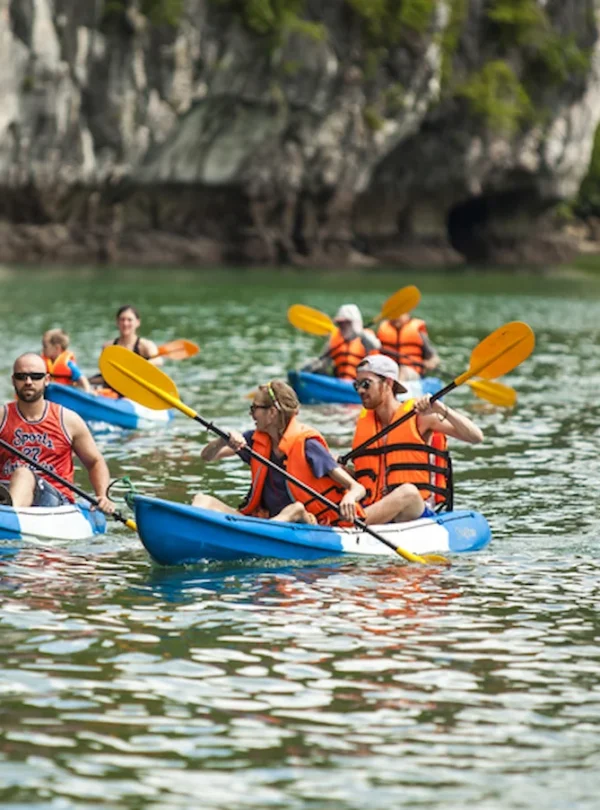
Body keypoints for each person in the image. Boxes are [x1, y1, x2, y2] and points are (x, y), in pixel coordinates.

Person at [192, 380, 365, 524]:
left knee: (295, 509)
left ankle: (265, 535)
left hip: (310, 524)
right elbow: (207, 456)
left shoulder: (308, 445)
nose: (251, 414)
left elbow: (356, 487)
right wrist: (223, 439)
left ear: (272, 413)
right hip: (266, 523)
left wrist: (349, 498)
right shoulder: (254, 440)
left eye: (255, 409)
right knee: (202, 500)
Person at [348, 354, 483, 524]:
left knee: (408, 492)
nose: (360, 390)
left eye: (366, 384)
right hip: (374, 507)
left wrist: (440, 409)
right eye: (357, 385)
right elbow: (367, 474)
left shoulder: (420, 416)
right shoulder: (364, 422)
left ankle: (346, 525)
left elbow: (476, 437)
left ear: (388, 383)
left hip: (414, 513)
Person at [0, 353, 116, 513]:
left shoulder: (68, 420)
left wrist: (102, 496)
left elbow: (95, 462)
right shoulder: (2, 417)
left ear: (46, 380)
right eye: (22, 376)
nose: (28, 382)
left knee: (23, 473)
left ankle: (10, 516)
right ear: (14, 380)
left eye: (35, 376)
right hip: (5, 491)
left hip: (55, 501)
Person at [306, 304, 380, 380]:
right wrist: (312, 365)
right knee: (316, 370)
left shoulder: (366, 337)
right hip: (340, 383)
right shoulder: (335, 337)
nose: (342, 326)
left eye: (346, 323)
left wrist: (359, 333)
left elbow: (376, 346)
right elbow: (324, 363)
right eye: (340, 323)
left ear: (355, 323)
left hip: (361, 383)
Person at [376, 312, 440, 378]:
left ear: (407, 314)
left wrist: (431, 363)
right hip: (387, 370)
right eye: (394, 314)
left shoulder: (418, 330)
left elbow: (434, 357)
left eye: (400, 313)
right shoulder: (383, 327)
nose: (396, 317)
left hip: (411, 371)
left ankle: (396, 386)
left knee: (402, 371)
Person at [41, 328, 92, 393]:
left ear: (57, 348)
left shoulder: (68, 364)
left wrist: (87, 391)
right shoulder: (42, 363)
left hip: (64, 393)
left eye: (45, 346)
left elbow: (82, 379)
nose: (42, 349)